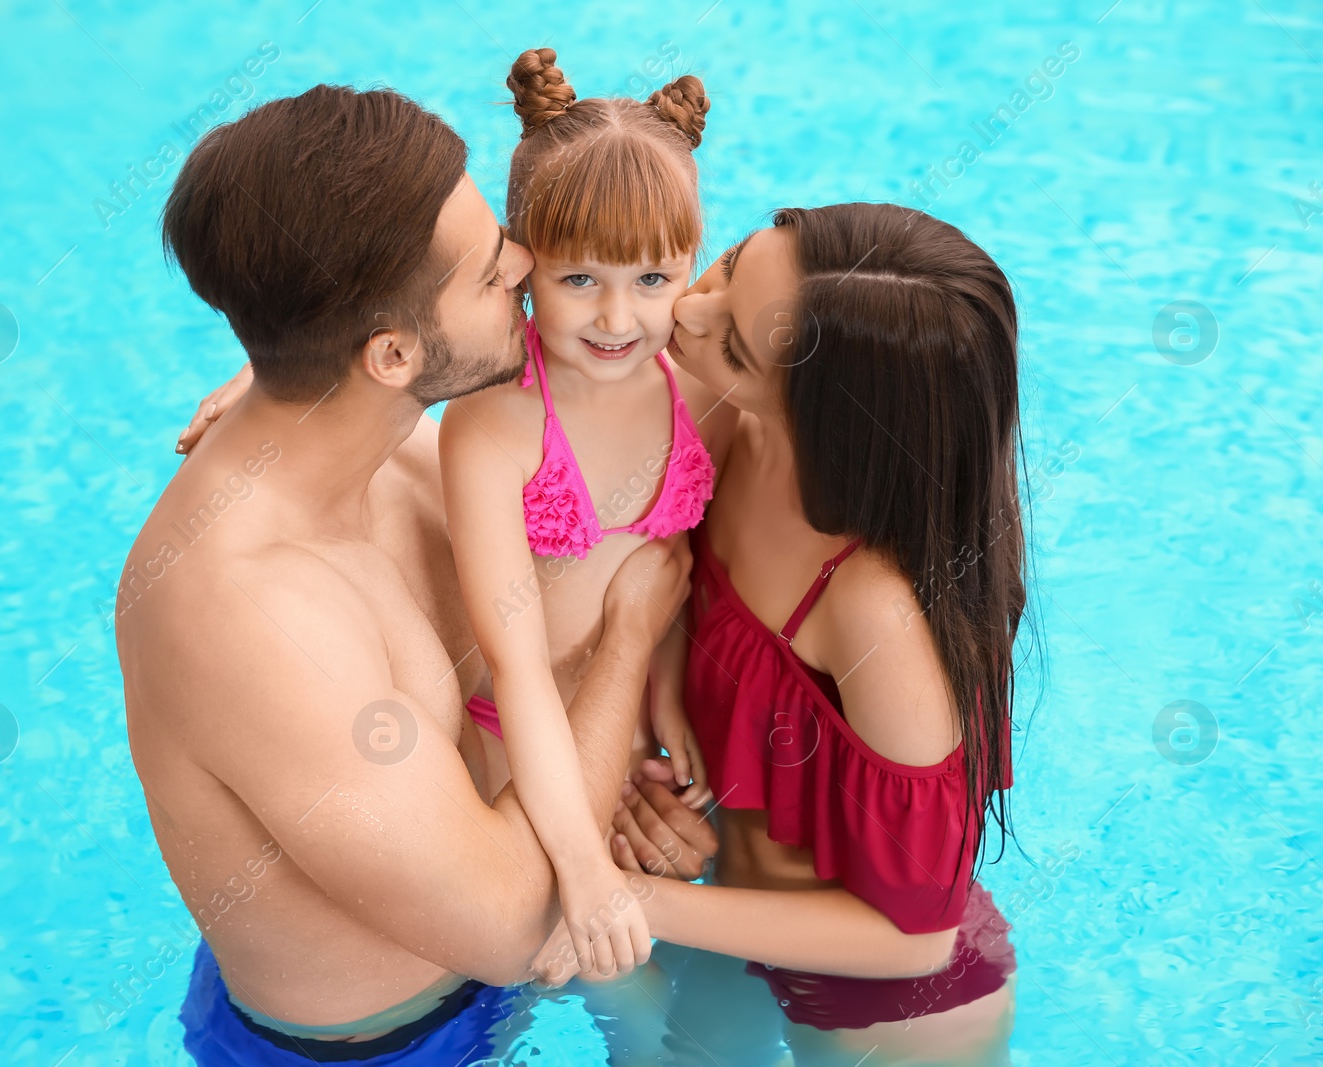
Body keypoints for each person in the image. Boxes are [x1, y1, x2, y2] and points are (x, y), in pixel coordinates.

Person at [118, 82, 690, 1065]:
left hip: (511, 924)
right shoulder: (248, 612)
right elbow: (510, 921)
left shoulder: (402, 441)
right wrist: (632, 638)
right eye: (486, 273)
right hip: (390, 1046)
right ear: (389, 352)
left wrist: (619, 787)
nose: (525, 262)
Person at [586, 202, 1028, 1065]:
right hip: (726, 913)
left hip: (881, 1003)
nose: (686, 311)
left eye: (735, 344)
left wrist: (628, 897)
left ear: (838, 420)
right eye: (728, 266)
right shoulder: (737, 411)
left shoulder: (876, 607)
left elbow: (916, 937)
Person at [437, 47, 733, 983]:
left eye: (652, 280)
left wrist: (671, 694)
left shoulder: (692, 385)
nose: (617, 317)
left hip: (633, 725)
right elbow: (518, 666)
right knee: (549, 978)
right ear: (525, 264)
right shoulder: (499, 421)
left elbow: (669, 560)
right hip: (513, 744)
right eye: (579, 282)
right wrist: (578, 867)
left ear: (692, 261)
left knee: (679, 1010)